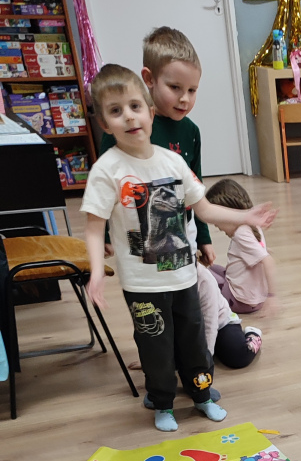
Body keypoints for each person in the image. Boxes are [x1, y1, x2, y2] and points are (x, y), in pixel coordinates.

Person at [82, 64, 276, 431]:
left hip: (184, 277)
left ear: (150, 111)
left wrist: (246, 215)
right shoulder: (107, 170)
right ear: (105, 124)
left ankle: (202, 395)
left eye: (135, 107)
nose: (129, 117)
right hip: (142, 285)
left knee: (193, 344)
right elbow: (93, 229)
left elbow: (204, 208)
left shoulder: (172, 161)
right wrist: (95, 273)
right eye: (116, 111)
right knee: (156, 348)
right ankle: (163, 403)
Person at [101, 27, 215, 267]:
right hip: (137, 231)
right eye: (175, 87)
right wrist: (104, 235)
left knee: (188, 283)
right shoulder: (126, 129)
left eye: (192, 90)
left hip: (182, 229)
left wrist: (204, 238)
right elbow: (104, 186)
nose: (185, 98)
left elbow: (197, 188)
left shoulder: (191, 132)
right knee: (149, 284)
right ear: (149, 78)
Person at [204, 179, 277, 314]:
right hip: (254, 298)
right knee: (213, 268)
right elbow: (258, 250)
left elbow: (268, 261)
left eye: (217, 221)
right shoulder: (253, 226)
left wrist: (272, 297)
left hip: (240, 301)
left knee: (203, 274)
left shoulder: (241, 233)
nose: (217, 226)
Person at [196, 262, 263, 370]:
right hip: (191, 328)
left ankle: (253, 334)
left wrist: (206, 359)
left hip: (220, 322)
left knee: (238, 355)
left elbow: (210, 323)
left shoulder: (203, 279)